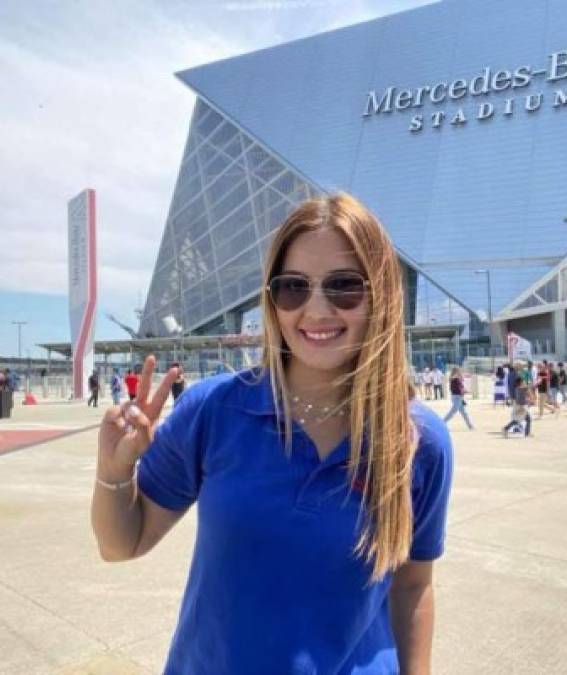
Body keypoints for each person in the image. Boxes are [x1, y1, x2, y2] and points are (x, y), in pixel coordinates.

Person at [91, 193, 453, 673]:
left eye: (344, 286)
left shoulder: (418, 439)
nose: (317, 310)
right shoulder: (214, 410)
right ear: (272, 300)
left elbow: (413, 586)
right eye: (293, 288)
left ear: (381, 294)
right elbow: (122, 545)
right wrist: (113, 471)